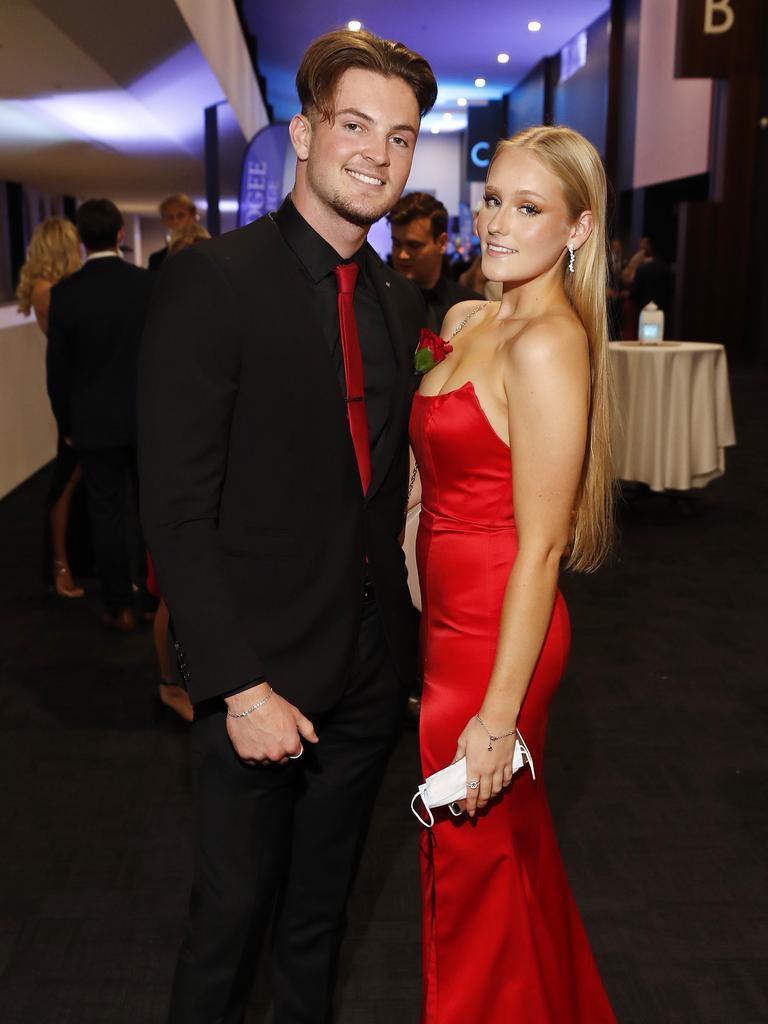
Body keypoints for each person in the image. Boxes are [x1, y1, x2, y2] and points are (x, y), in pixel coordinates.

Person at [138, 28, 436, 1023]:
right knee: (228, 922)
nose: (377, 153)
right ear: (304, 134)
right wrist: (236, 683)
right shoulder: (212, 282)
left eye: (400, 137)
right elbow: (175, 506)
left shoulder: (397, 300)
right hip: (257, 672)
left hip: (366, 673)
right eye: (355, 124)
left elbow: (383, 490)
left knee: (320, 918)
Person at [409, 125, 616, 1022]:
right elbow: (438, 448)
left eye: (528, 208)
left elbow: (541, 545)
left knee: (473, 872)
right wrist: (418, 513)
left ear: (576, 229)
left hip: (499, 638)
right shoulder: (470, 317)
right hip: (447, 620)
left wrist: (497, 719)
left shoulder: (547, 344)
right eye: (493, 199)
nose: (496, 222)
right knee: (495, 866)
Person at [47, 199, 155, 631]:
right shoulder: (148, 285)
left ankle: (118, 605)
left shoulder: (66, 293)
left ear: (79, 240)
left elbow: (58, 372)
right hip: (145, 419)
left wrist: (67, 424)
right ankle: (151, 599)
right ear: (120, 235)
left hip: (92, 423)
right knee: (151, 512)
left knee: (105, 513)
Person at [16, 216, 87, 598]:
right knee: (67, 477)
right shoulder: (50, 290)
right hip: (72, 391)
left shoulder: (54, 288)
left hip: (78, 388)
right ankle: (60, 564)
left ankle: (70, 558)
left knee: (74, 475)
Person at [388, 191, 480, 332]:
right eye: (397, 244)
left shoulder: (471, 308)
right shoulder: (379, 302)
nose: (402, 255)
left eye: (414, 245)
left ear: (442, 243)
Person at [147, 194, 199, 271]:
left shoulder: (206, 250)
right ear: (164, 221)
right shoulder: (157, 259)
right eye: (170, 217)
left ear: (193, 217)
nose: (176, 221)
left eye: (181, 216)